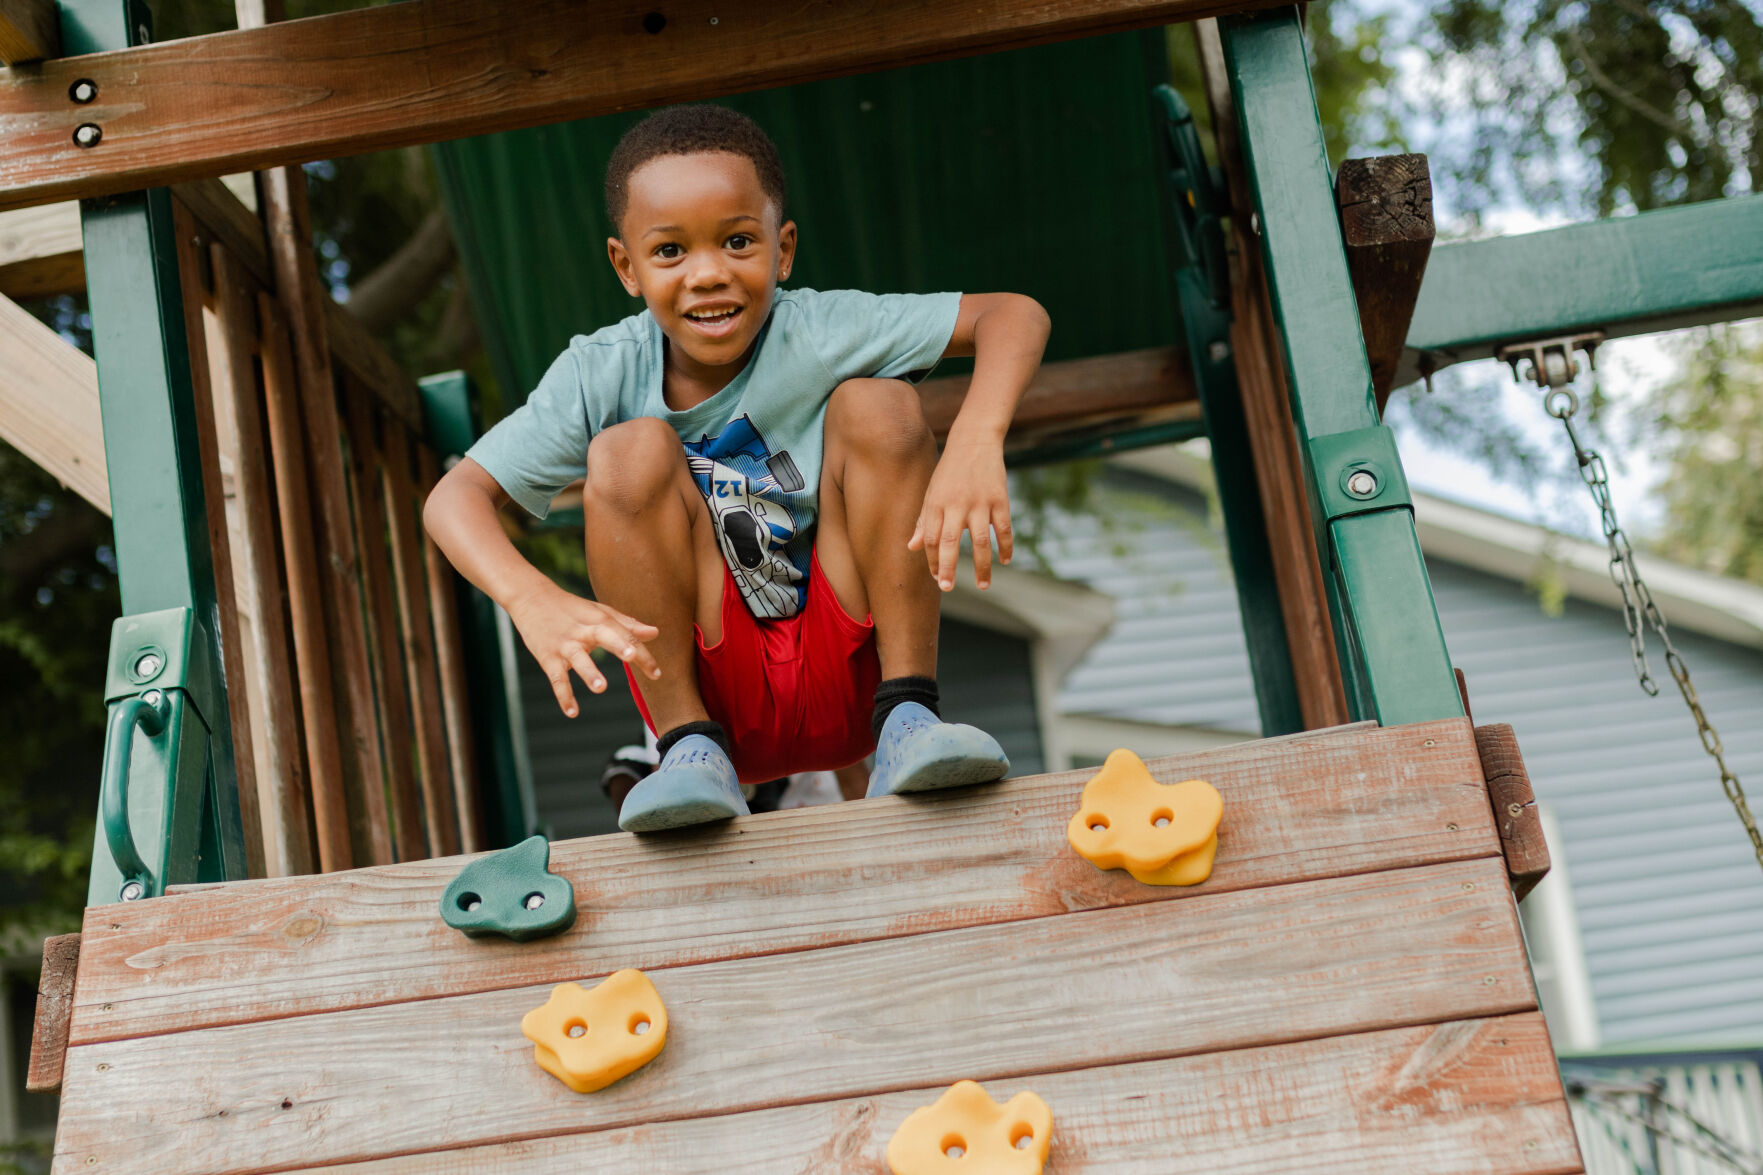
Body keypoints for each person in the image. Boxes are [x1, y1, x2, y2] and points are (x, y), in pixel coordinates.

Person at [424, 105, 1049, 832]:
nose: (708, 274)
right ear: (625, 266)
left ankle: (910, 716)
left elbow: (1015, 315)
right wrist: (529, 597)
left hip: (854, 673)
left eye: (738, 241)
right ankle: (686, 750)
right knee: (627, 450)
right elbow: (453, 497)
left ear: (782, 252)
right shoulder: (600, 371)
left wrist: (976, 438)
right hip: (713, 695)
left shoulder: (814, 328)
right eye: (669, 253)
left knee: (880, 404)